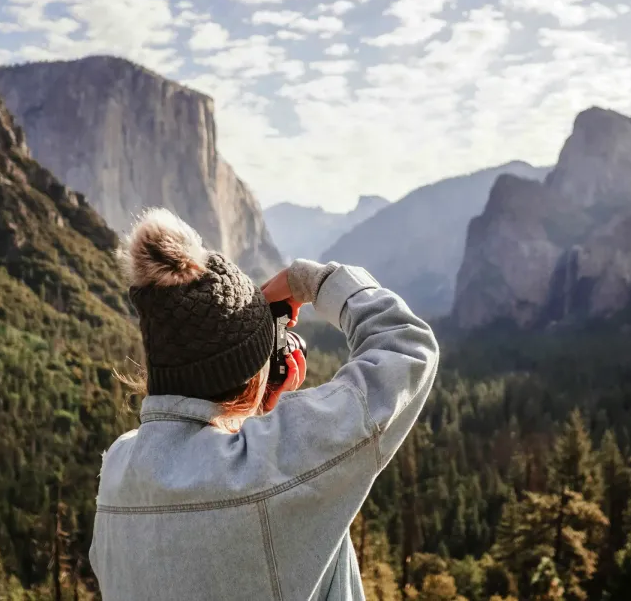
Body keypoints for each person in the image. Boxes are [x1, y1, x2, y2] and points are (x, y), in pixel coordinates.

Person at [88, 207, 439, 600]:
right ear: (253, 376)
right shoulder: (271, 465)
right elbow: (407, 347)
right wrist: (316, 282)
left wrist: (254, 404)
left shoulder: (118, 471)